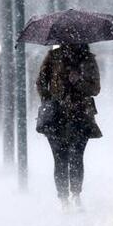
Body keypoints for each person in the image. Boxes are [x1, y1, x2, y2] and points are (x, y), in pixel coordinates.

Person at [36, 43, 102, 211]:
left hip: (80, 115)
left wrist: (78, 81)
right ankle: (63, 198)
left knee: (76, 157)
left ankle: (76, 194)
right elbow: (41, 82)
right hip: (56, 117)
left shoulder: (88, 59)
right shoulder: (53, 57)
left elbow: (95, 88)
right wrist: (50, 100)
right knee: (60, 159)